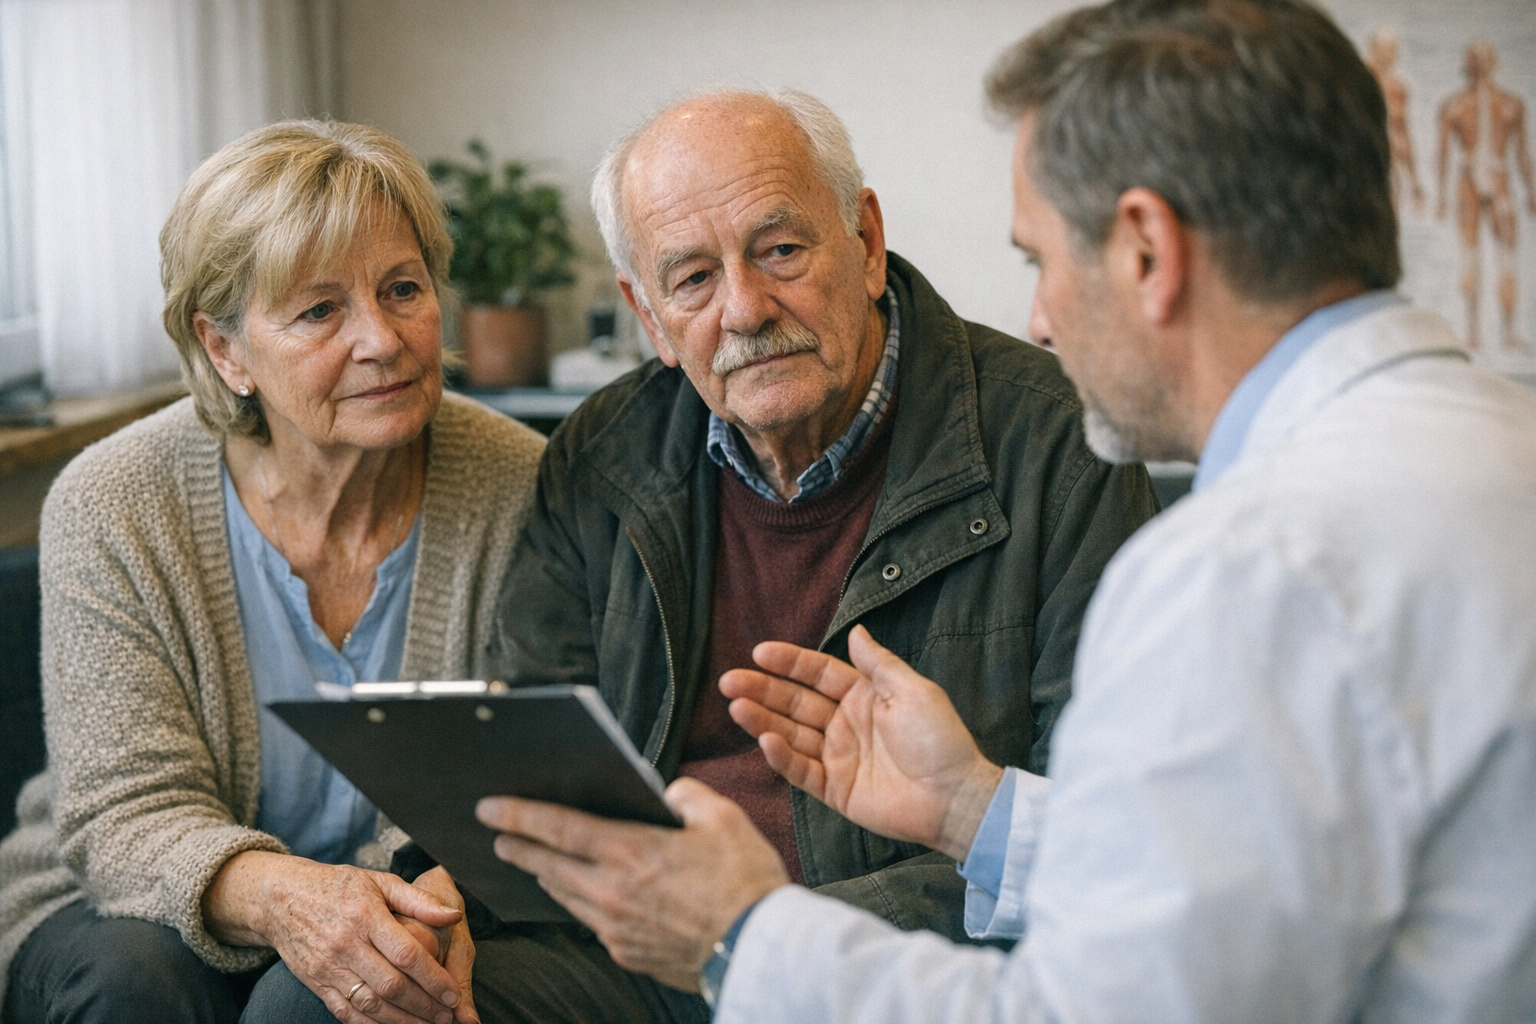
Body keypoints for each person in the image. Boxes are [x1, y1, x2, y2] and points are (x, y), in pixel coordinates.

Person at [475, 1, 1536, 1021]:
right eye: (695, 279)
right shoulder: (1491, 443)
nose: (1035, 315)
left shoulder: (1246, 565)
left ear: (1145, 251)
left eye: (1039, 258)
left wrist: (742, 934)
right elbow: (1236, 883)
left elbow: (1099, 1007)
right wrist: (975, 809)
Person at [408, 88, 1155, 1023]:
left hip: (898, 956)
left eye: (782, 251)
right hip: (633, 944)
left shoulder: (1055, 440)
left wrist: (768, 942)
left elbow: (1102, 836)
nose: (746, 309)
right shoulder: (604, 451)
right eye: (692, 280)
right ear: (650, 318)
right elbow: (528, 746)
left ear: (867, 242)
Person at [0, 120, 547, 1024]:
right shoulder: (112, 501)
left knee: (324, 1000)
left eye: (402, 289)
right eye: (320, 310)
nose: (382, 338)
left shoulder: (522, 485)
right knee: (135, 984)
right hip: (133, 902)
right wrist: (288, 898)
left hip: (418, 891)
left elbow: (515, 776)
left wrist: (393, 906)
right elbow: (124, 814)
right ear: (225, 350)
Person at [1436, 42, 1536, 350]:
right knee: (1470, 255)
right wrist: (1440, 194)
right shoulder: (1455, 105)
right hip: (1468, 180)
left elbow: (1521, 152)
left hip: (1499, 177)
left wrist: (1531, 189)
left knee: (1507, 255)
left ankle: (1507, 331)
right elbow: (1442, 153)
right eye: (1474, 59)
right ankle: (1472, 331)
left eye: (1483, 59)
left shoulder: (1510, 104)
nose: (1478, 65)